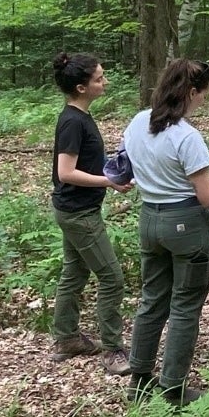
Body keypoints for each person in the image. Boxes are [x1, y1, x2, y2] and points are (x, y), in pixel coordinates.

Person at [123, 60, 209, 407]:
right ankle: (173, 388)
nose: (203, 100)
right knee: (185, 306)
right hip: (186, 224)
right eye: (203, 95)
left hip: (150, 220)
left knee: (152, 300)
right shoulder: (186, 137)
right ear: (190, 93)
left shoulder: (139, 122)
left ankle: (139, 380)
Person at [48, 53, 133, 375]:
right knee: (112, 278)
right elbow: (66, 172)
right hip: (78, 213)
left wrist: (115, 164)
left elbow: (83, 162)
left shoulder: (80, 117)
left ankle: (67, 337)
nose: (105, 81)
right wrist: (109, 182)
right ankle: (113, 350)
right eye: (99, 78)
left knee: (74, 274)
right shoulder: (72, 120)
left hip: (76, 210)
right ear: (82, 87)